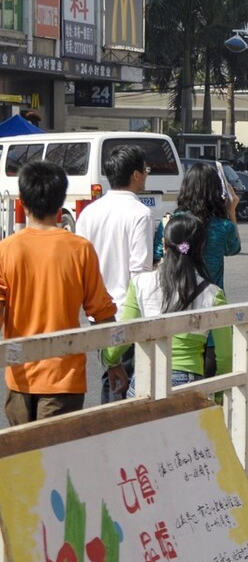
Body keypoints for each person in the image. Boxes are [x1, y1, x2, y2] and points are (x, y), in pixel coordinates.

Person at [0, 161, 118, 425]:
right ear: (60, 202)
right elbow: (101, 313)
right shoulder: (80, 249)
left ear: (22, 202)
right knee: (57, 461)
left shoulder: (5, 250)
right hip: (65, 377)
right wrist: (113, 361)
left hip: (19, 375)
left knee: (24, 460)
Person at [102, 213, 232, 393]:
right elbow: (225, 355)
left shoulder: (140, 284)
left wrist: (110, 360)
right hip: (188, 382)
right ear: (201, 247)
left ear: (164, 244)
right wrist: (219, 394)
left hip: (144, 378)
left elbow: (124, 333)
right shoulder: (213, 294)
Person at [75, 145, 154, 403]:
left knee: (110, 375)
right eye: (145, 169)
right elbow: (139, 271)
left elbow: (81, 265)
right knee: (125, 382)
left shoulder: (89, 213)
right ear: (136, 175)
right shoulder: (140, 214)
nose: (146, 173)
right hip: (126, 311)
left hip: (96, 313)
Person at [156, 163, 241, 291]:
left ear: (185, 188)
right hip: (211, 299)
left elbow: (157, 256)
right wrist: (231, 211)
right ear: (216, 191)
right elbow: (234, 248)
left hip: (177, 299)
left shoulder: (170, 223)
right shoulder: (223, 227)